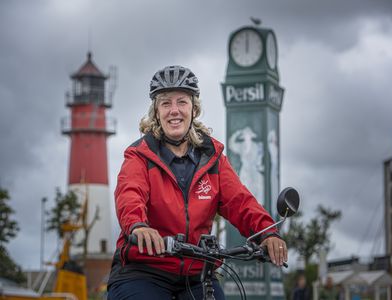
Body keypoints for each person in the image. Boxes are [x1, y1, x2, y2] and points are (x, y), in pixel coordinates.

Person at [107, 65, 287, 300]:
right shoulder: (140, 155)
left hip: (198, 273)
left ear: (194, 109)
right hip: (143, 272)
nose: (174, 111)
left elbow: (240, 202)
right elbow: (130, 194)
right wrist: (138, 226)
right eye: (166, 103)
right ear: (156, 112)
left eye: (182, 102)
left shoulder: (212, 158)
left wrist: (267, 233)